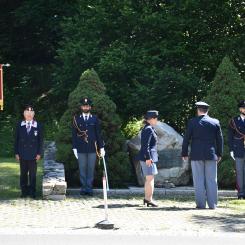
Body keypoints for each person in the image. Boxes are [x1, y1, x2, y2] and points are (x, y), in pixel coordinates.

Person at [182, 102, 223, 209]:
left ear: (198, 110)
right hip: (211, 154)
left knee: (198, 180)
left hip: (196, 154)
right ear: (207, 111)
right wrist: (219, 154)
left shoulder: (192, 122)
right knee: (212, 180)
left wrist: (184, 153)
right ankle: (213, 204)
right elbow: (220, 140)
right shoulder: (215, 122)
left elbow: (186, 139)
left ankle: (200, 204)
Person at [72, 98, 105, 196]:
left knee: (91, 169)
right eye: (84, 106)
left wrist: (101, 147)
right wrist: (74, 147)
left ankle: (89, 188)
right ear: (81, 107)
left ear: (90, 107)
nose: (85, 107)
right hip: (81, 148)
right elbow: (74, 134)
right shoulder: (76, 119)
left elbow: (98, 134)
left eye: (87, 106)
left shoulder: (94, 119)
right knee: (82, 168)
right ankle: (83, 188)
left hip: (92, 148)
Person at [14, 105, 43, 198]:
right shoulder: (20, 125)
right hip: (22, 154)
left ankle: (32, 192)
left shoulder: (38, 125)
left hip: (34, 154)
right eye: (27, 113)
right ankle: (24, 191)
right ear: (24, 114)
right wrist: (16, 153)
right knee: (23, 174)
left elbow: (40, 141)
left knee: (33, 175)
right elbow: (16, 140)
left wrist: (39, 153)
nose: (29, 115)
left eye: (31, 113)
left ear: (33, 115)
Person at [136, 110, 159, 207]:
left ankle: (147, 198)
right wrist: (148, 158)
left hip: (148, 157)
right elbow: (146, 146)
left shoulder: (148, 128)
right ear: (152, 119)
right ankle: (148, 199)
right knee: (150, 179)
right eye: (156, 118)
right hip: (148, 158)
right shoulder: (148, 129)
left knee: (150, 178)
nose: (157, 120)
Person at [228, 100, 245, 199]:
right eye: (243, 108)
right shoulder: (234, 121)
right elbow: (230, 136)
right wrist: (231, 149)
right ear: (240, 109)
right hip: (238, 149)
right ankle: (241, 193)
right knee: (239, 171)